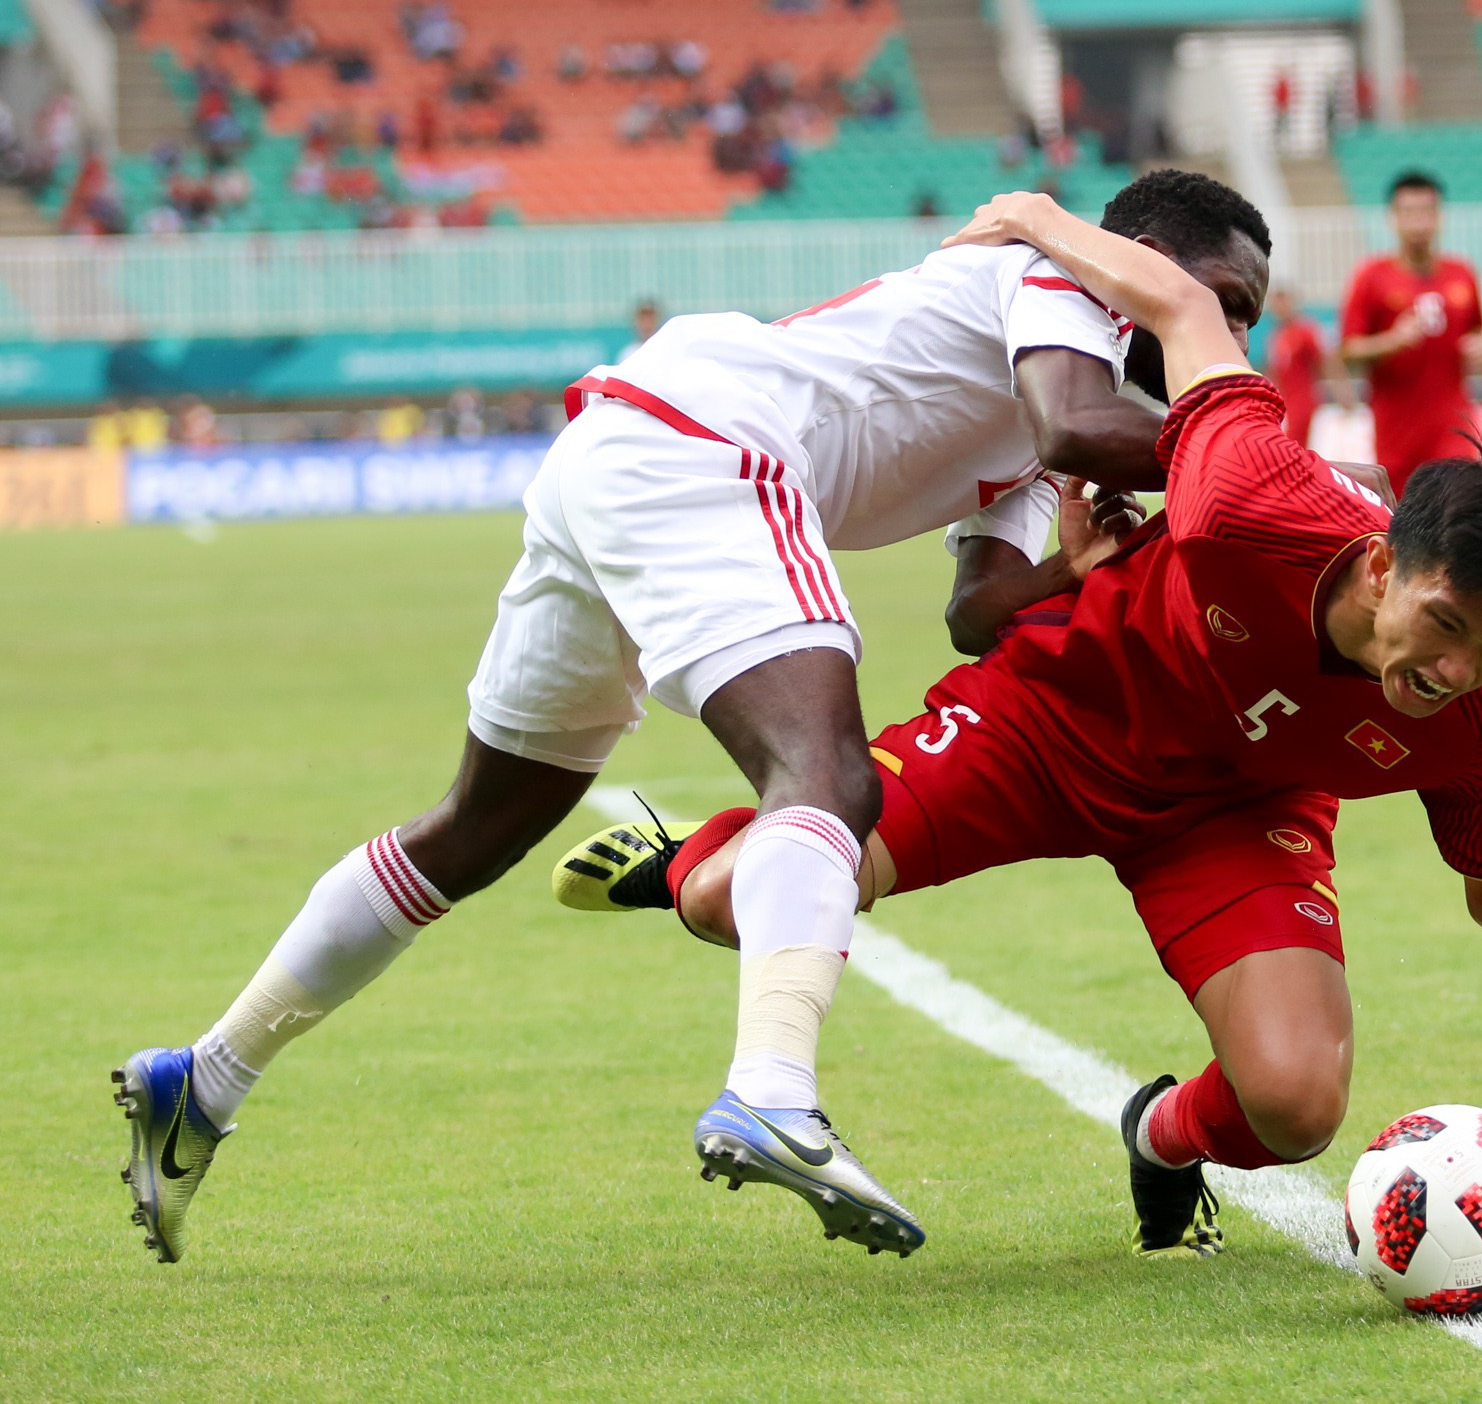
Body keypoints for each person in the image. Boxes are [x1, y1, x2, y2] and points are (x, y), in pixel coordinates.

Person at [112, 171, 1274, 1266]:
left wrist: (1078, 567)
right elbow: (1076, 423)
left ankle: (204, 1078)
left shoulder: (1054, 396)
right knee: (825, 780)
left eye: (1248, 321)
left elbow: (977, 610)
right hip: (709, 444)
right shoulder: (1062, 282)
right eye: (1224, 305)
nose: (1232, 341)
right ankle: (771, 1091)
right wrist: (1271, 461)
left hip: (623, 448)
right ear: (1146, 266)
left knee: (481, 824)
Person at [560, 191, 1482, 1261]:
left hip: (1233, 812)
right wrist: (1029, 213)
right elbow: (1173, 299)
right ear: (1379, 565)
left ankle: (1158, 1136)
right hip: (1051, 719)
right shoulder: (1252, 493)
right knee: (727, 905)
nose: (1457, 668)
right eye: (1445, 623)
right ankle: (706, 852)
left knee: (1296, 1104)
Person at [1338, 171, 1482, 495]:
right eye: (1409, 213)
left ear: (1438, 216)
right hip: (1397, 435)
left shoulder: (1462, 274)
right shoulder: (1371, 277)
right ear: (1393, 218)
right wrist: (1392, 341)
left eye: (1426, 212)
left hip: (1453, 427)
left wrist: (1479, 348)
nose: (1418, 222)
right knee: (1404, 528)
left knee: (1457, 512)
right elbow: (1347, 351)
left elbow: (1479, 334)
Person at [1263, 287, 1355, 446]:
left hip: (1302, 403)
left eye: (1283, 302)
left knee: (1294, 447)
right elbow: (1275, 371)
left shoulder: (1305, 330)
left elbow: (1327, 362)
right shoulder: (1277, 335)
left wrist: (1342, 393)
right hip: (1284, 403)